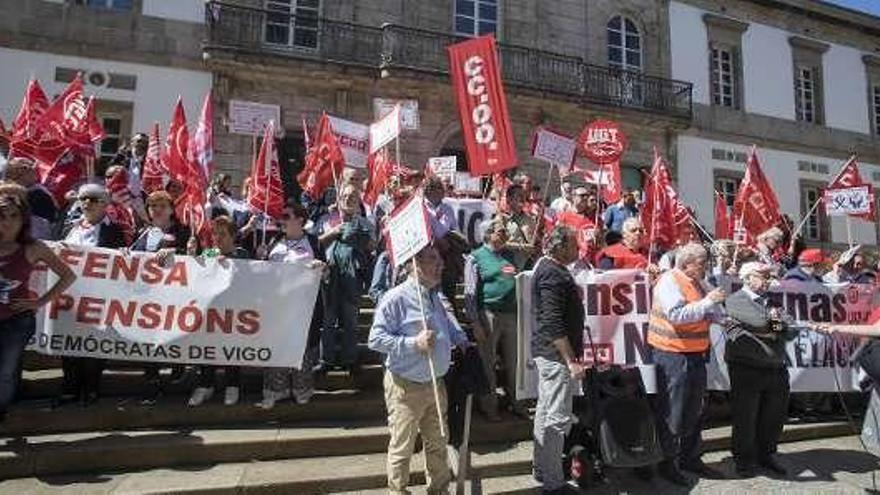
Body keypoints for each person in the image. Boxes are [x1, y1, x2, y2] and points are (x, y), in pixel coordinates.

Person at [367, 245, 470, 495]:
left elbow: (445, 323)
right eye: (434, 260)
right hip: (405, 386)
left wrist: (460, 338)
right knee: (402, 448)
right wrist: (413, 343)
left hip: (436, 383)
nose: (441, 265)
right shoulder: (395, 298)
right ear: (415, 264)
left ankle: (438, 490)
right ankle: (397, 491)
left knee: (438, 443)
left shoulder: (434, 295)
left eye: (440, 260)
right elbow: (375, 339)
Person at [647, 242, 726, 485]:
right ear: (687, 263)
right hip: (672, 354)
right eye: (702, 263)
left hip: (694, 354)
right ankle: (667, 463)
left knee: (696, 408)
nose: (706, 267)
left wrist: (714, 313)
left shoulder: (697, 282)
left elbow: (701, 312)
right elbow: (677, 315)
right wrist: (707, 303)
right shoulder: (670, 280)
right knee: (674, 410)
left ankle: (690, 457)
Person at [0, 184, 75, 421]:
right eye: (2, 216)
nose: (8, 222)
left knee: (6, 372)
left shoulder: (34, 248)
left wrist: (39, 302)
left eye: (14, 216)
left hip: (15, 321)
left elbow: (68, 275)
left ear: (24, 220)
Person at [57, 183, 127, 407]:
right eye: (84, 199)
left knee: (94, 345)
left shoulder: (113, 231)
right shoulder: (69, 226)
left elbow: (123, 261)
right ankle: (70, 388)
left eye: (93, 199)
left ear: (105, 205)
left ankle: (92, 388)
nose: (87, 203)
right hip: (69, 297)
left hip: (99, 299)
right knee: (68, 345)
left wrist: (125, 256)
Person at [724, 262, 794, 478]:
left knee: (773, 416)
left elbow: (790, 330)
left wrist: (772, 328)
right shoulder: (735, 300)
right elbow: (761, 321)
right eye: (762, 276)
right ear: (747, 278)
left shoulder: (773, 302)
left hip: (775, 367)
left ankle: (766, 454)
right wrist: (774, 325)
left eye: (768, 276)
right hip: (747, 368)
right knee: (746, 416)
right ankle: (743, 460)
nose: (768, 280)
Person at [531, 226, 584, 494]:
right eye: (575, 244)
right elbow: (552, 322)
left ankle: (542, 469)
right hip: (555, 358)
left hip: (548, 355)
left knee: (544, 411)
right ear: (560, 246)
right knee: (556, 418)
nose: (579, 249)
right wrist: (570, 360)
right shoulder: (552, 272)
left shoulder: (550, 268)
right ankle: (553, 483)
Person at [259, 202, 326, 408]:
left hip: (304, 306)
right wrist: (260, 257)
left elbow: (327, 272)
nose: (282, 220)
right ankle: (275, 390)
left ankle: (302, 388)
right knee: (276, 345)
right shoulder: (273, 242)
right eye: (281, 217)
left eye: (286, 216)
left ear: (300, 220)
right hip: (277, 306)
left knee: (303, 347)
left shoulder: (314, 243)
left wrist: (322, 267)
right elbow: (260, 274)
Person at [130, 190, 193, 403]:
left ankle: (178, 370)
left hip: (173, 296)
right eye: (152, 206)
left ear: (171, 209)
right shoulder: (143, 232)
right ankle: (152, 382)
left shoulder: (183, 231)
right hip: (147, 297)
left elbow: (194, 256)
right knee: (148, 339)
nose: (156, 210)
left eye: (162, 206)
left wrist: (177, 251)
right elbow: (134, 256)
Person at [187, 216, 251, 407]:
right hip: (211, 312)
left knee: (231, 349)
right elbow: (194, 272)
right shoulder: (209, 253)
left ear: (233, 236)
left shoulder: (242, 254)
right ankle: (205, 385)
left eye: (222, 234)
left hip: (235, 313)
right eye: (215, 234)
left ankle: (233, 385)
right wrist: (191, 256)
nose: (217, 238)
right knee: (208, 348)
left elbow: (253, 276)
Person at [464, 218, 520, 421]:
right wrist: (475, 322)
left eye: (505, 231)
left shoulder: (509, 255)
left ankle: (517, 403)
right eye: (501, 231)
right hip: (488, 314)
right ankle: (489, 407)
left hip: (511, 314)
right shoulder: (475, 257)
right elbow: (470, 291)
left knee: (514, 362)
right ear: (488, 234)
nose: (505, 234)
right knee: (487, 363)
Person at [316, 183, 374, 374]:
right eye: (345, 197)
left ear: (358, 202)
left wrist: (359, 235)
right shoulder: (325, 220)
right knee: (328, 320)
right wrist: (333, 233)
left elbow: (372, 246)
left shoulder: (365, 223)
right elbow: (315, 244)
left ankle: (350, 359)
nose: (348, 200)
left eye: (353, 197)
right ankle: (327, 360)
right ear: (338, 200)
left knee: (351, 320)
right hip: (328, 277)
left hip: (352, 278)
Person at [4, 157, 57, 239]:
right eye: (24, 167)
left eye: (30, 166)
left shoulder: (38, 193)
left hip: (34, 241)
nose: (32, 169)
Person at [504, 184, 538, 270]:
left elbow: (534, 241)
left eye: (523, 195)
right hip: (508, 264)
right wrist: (521, 246)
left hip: (527, 264)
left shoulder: (530, 219)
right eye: (519, 195)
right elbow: (498, 244)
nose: (522, 198)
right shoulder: (502, 219)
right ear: (509, 200)